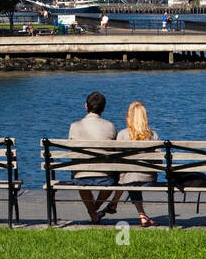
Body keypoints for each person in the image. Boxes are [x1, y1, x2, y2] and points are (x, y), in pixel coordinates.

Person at [101, 100, 159, 228]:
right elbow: (158, 161)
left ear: (129, 116)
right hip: (149, 178)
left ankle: (140, 215)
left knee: (129, 178)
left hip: (129, 178)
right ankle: (115, 204)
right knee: (132, 177)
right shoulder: (153, 135)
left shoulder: (122, 134)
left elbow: (116, 161)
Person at [68, 91, 119, 225]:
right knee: (115, 177)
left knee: (80, 178)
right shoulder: (110, 126)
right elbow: (115, 151)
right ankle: (95, 210)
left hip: (81, 174)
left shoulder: (74, 126)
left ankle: (93, 214)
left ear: (86, 106)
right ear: (103, 108)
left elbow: (71, 152)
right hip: (105, 176)